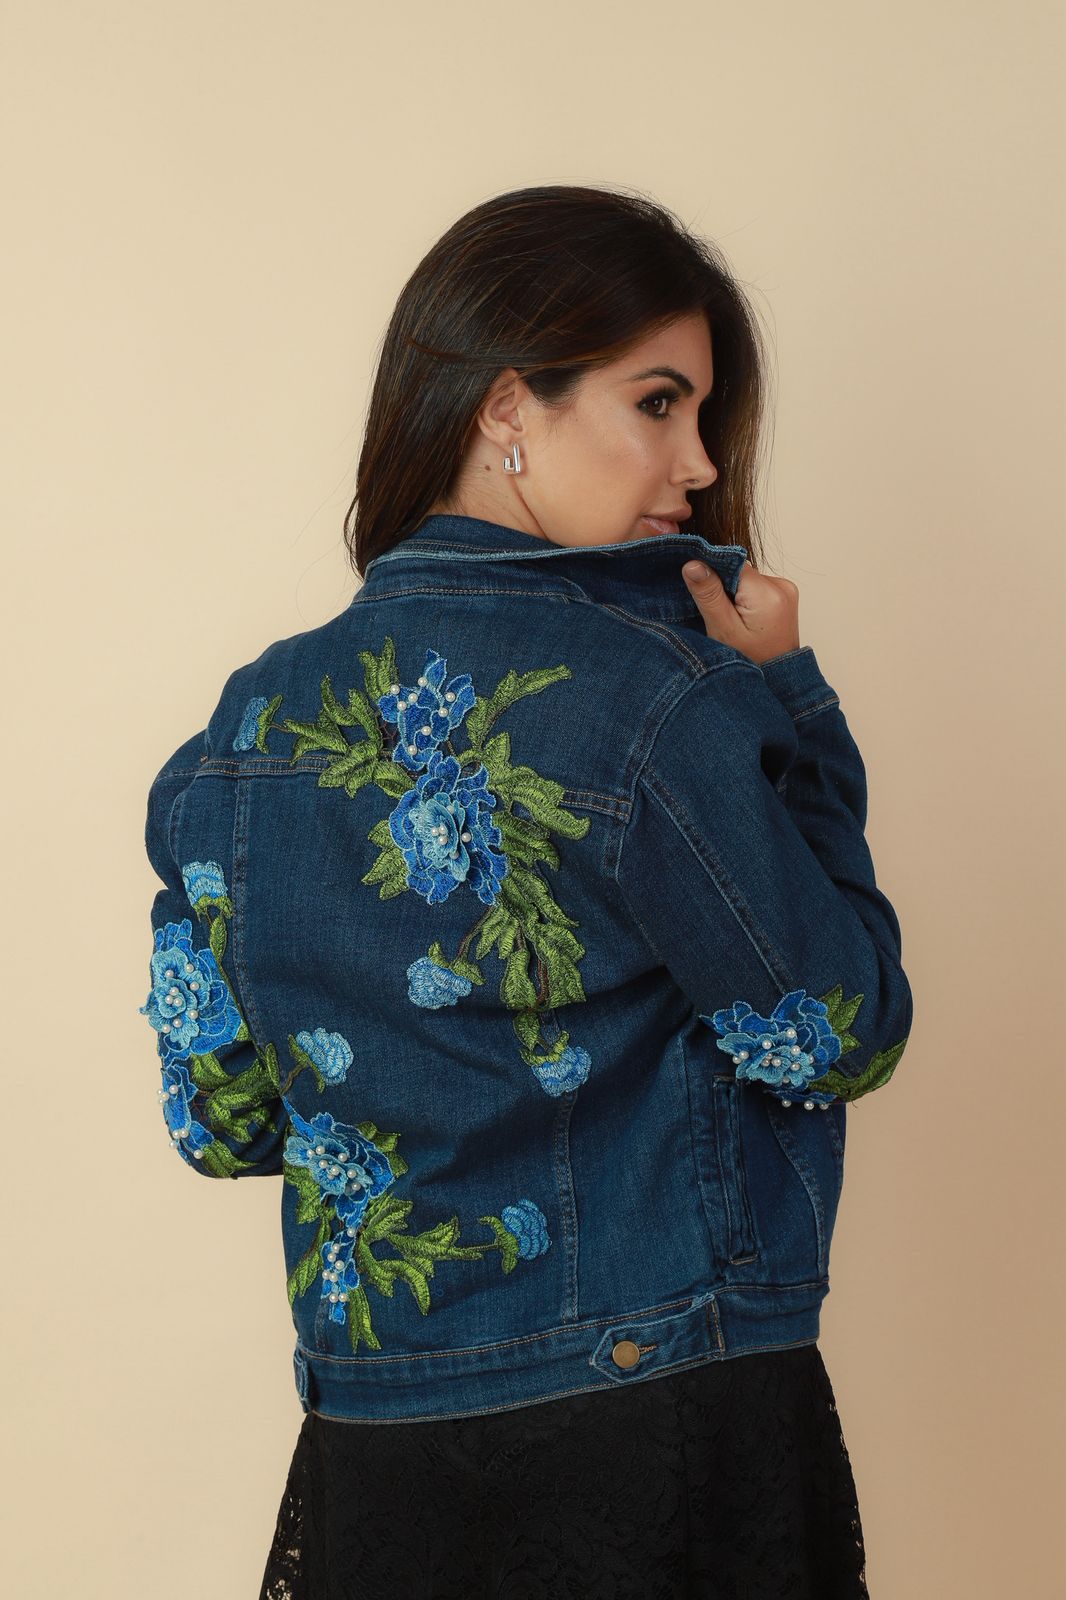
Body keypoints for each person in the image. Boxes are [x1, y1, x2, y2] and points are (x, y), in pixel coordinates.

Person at [139, 184, 912, 1598]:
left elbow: (225, 1121)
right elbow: (837, 1033)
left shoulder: (241, 732)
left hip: (384, 1450)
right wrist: (790, 705)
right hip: (658, 1420)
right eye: (658, 403)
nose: (695, 463)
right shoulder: (663, 704)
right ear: (507, 405)